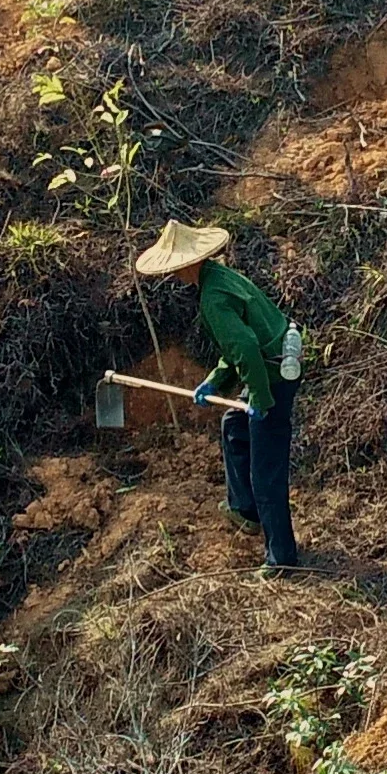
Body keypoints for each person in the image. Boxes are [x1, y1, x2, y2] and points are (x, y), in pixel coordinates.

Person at [134, 219, 304, 568]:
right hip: (272, 363)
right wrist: (215, 381)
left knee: (266, 473)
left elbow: (245, 348)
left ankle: (281, 559)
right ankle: (245, 510)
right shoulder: (220, 277)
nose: (175, 274)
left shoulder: (213, 297)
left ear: (189, 263)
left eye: (177, 266)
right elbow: (239, 347)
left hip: (272, 375)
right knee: (234, 423)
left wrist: (259, 397)